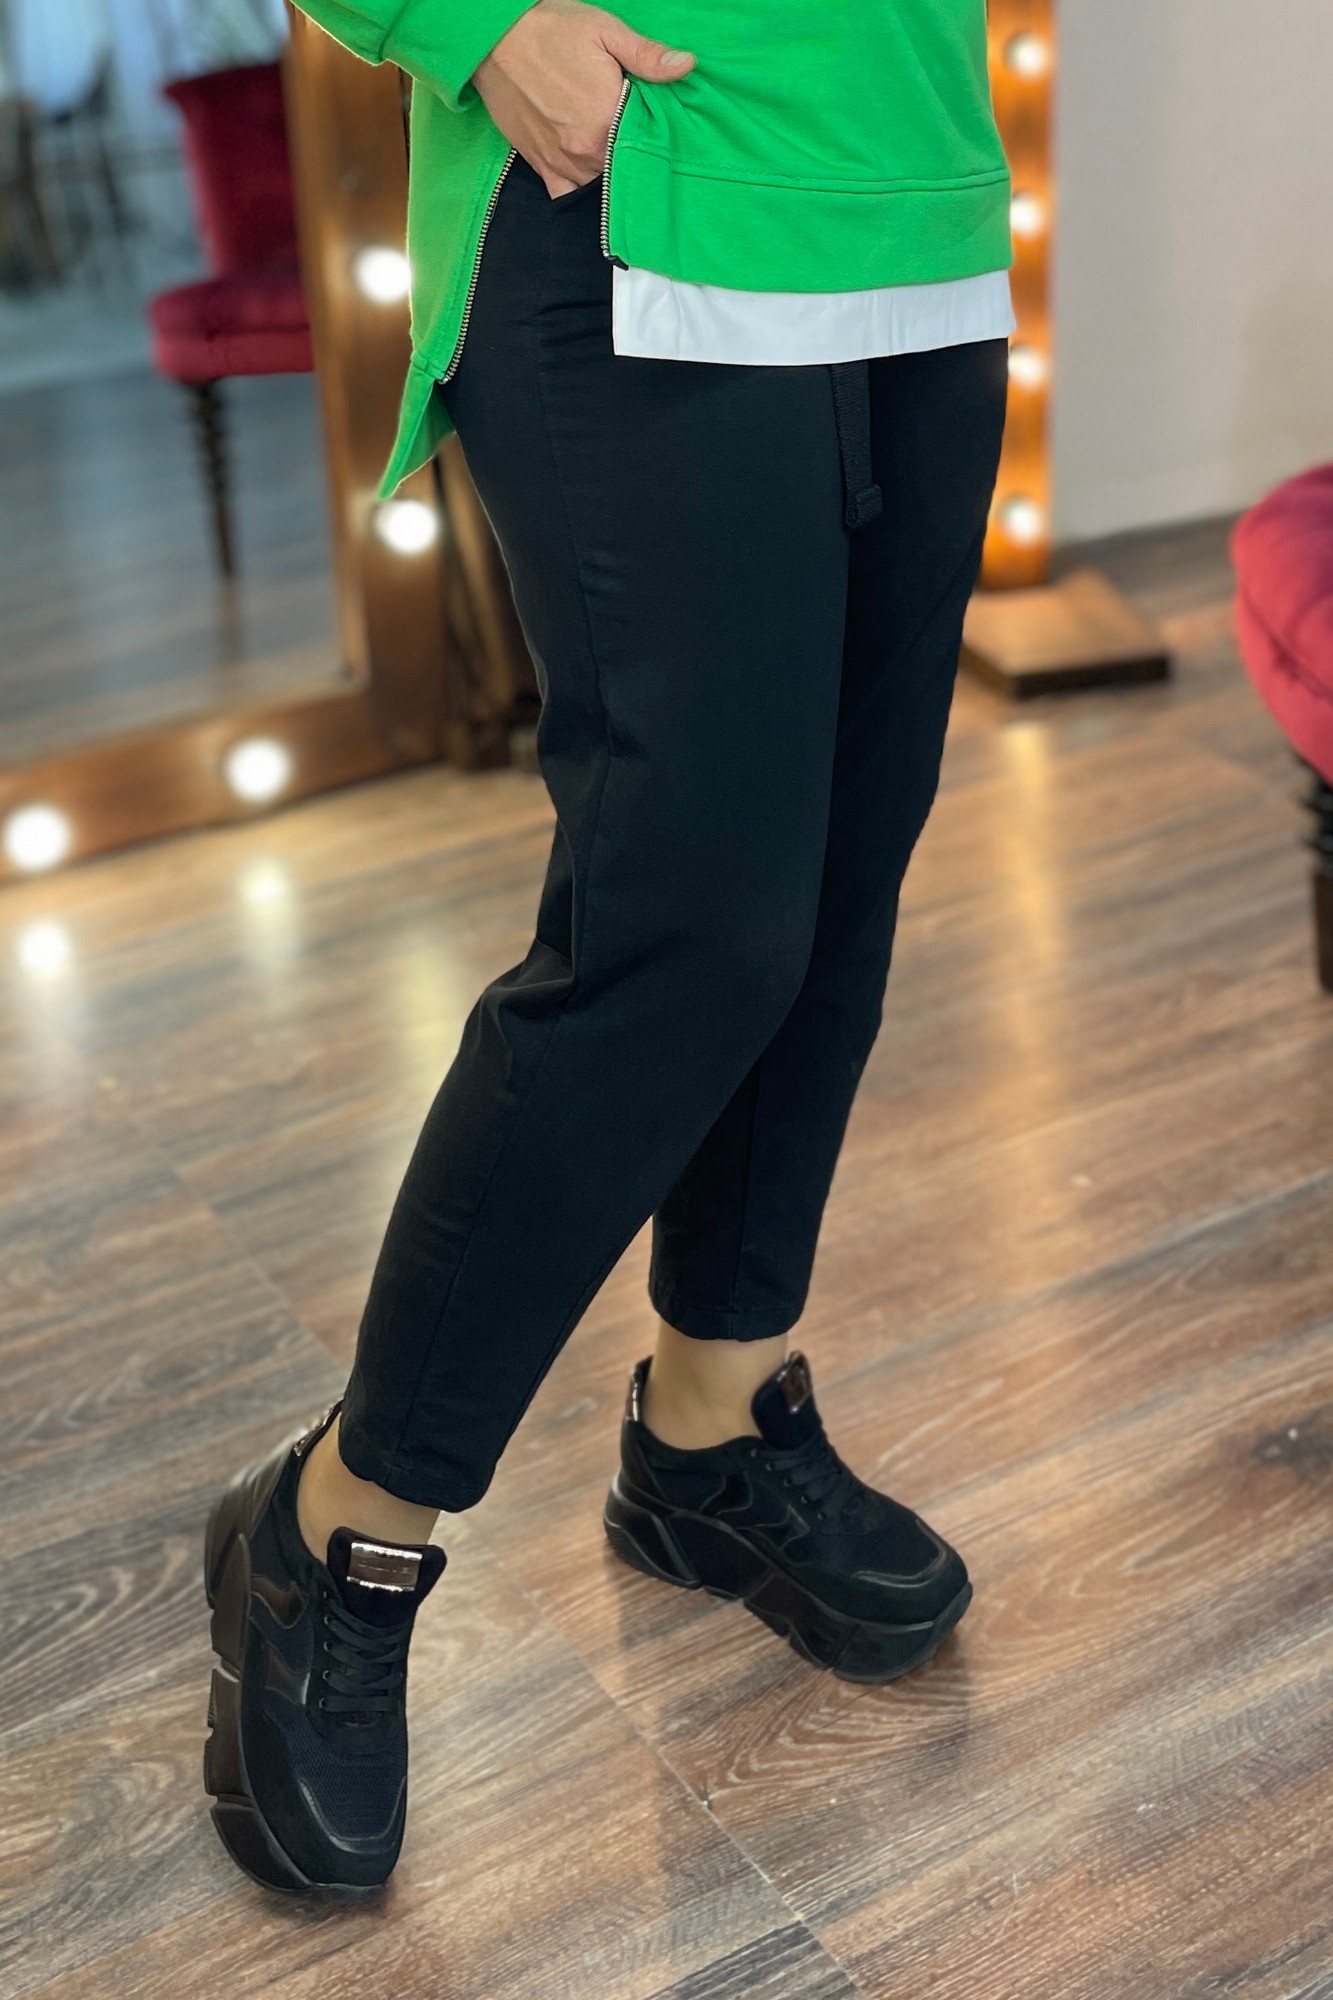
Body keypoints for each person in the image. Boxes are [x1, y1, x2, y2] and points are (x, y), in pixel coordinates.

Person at [200, 0, 1014, 1900]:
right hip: (629, 182)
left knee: (830, 898)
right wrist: (465, 21)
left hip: (910, 191)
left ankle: (711, 1429)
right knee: (689, 931)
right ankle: (338, 1530)